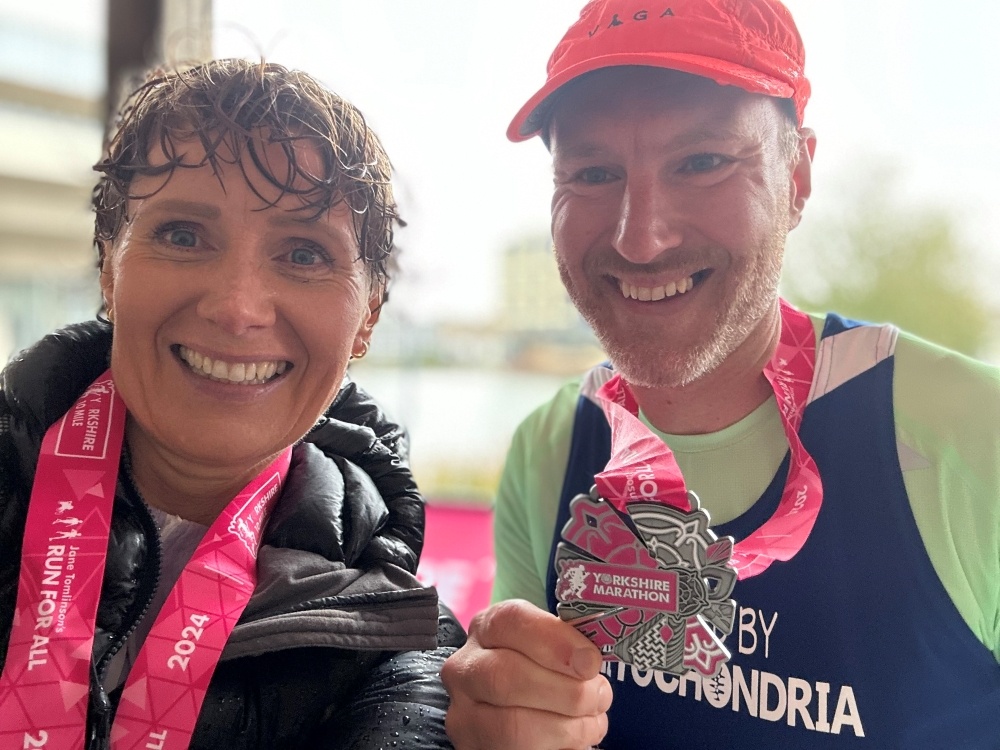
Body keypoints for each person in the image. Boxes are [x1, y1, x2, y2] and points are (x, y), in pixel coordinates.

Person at [441, 0, 1000, 747]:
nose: (640, 238)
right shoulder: (549, 445)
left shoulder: (975, 437)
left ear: (797, 175)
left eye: (701, 162)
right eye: (593, 172)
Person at [0, 59, 463, 749]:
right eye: (182, 235)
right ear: (109, 266)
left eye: (304, 253)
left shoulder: (398, 644)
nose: (236, 308)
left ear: (368, 315)